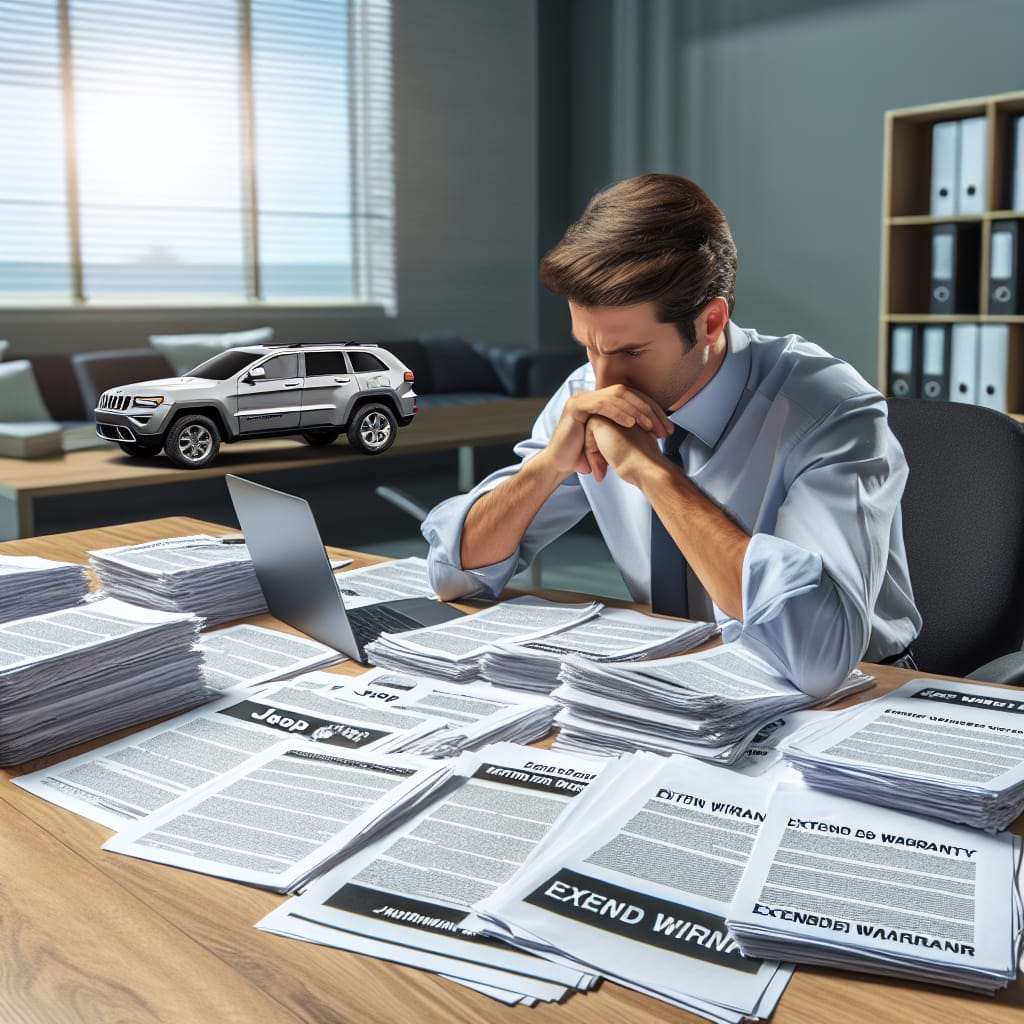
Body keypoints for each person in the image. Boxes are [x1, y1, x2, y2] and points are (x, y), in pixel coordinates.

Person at [422, 174, 921, 695]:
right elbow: (454, 575)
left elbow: (820, 658)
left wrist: (652, 472)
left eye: (632, 352)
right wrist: (548, 466)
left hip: (860, 696)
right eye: (588, 348)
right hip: (691, 682)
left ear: (710, 321)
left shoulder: (830, 410)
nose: (604, 381)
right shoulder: (590, 389)